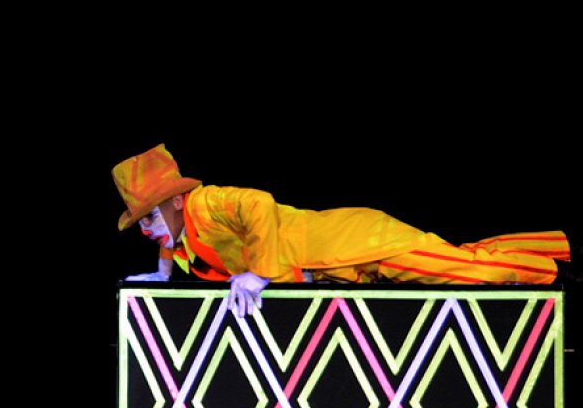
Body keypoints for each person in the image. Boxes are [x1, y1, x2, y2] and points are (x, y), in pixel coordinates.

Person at [112, 144, 573, 318]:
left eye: (149, 217)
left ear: (177, 201)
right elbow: (175, 242)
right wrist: (163, 273)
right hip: (344, 268)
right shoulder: (186, 235)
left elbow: (259, 204)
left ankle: (555, 268)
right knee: (461, 259)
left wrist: (259, 272)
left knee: (468, 272)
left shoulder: (206, 203)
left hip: (360, 243)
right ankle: (556, 247)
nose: (147, 230)